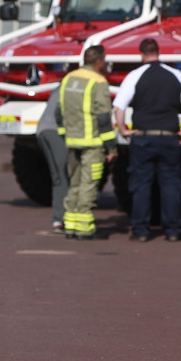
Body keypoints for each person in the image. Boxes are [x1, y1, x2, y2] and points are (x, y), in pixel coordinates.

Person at [113, 38, 181, 242]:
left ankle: (141, 230)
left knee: (141, 185)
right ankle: (173, 230)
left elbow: (119, 107)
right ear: (158, 53)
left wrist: (123, 130)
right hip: (169, 138)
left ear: (142, 54)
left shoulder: (135, 75)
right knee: (171, 185)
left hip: (143, 138)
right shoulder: (176, 75)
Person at [56, 45, 118, 240]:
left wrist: (64, 134)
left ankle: (70, 225)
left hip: (71, 140)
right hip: (92, 143)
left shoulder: (69, 78)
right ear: (99, 61)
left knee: (74, 183)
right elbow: (103, 118)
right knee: (88, 184)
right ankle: (84, 227)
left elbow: (59, 111)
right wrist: (111, 147)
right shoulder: (98, 81)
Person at [36, 90, 68, 233]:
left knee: (58, 175)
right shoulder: (78, 84)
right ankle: (61, 218)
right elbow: (60, 113)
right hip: (54, 130)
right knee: (63, 174)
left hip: (43, 129)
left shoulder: (63, 85)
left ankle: (59, 218)